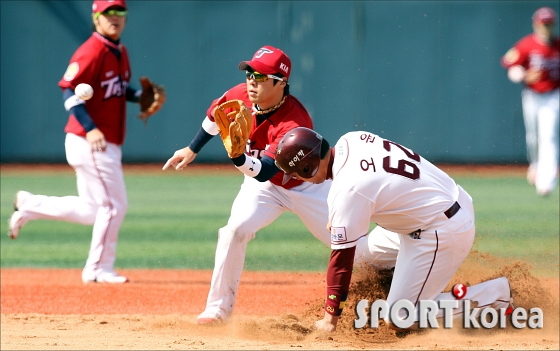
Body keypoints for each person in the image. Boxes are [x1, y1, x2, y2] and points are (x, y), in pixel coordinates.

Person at [163, 46, 401, 325]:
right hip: (262, 189)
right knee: (233, 231)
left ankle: (397, 271)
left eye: (261, 76)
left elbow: (265, 170)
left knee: (355, 249)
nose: (252, 80)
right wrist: (192, 149)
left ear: (281, 83)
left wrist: (239, 158)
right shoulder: (240, 94)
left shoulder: (295, 122)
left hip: (308, 187)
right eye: (250, 73)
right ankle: (217, 310)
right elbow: (216, 115)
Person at [274, 127, 514, 332]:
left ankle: (495, 296)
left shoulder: (348, 190)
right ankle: (409, 283)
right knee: (363, 257)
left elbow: (340, 262)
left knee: (399, 317)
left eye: (296, 174)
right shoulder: (351, 138)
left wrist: (330, 319)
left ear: (308, 168)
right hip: (443, 204)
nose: (297, 179)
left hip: (441, 229)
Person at [8, 0, 165, 283]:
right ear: (96, 18)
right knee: (115, 206)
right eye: (108, 13)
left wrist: (138, 97)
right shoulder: (91, 50)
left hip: (103, 142)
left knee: (93, 210)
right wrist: (90, 128)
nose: (115, 18)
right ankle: (98, 268)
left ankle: (30, 205)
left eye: (120, 13)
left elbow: (115, 89)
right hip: (91, 141)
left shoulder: (119, 50)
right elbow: (69, 91)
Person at [501, 7, 560, 196]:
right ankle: (535, 166)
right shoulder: (526, 44)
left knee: (548, 136)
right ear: (536, 24)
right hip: (532, 95)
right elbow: (511, 67)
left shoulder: (558, 46)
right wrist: (525, 75)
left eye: (549, 23)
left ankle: (547, 182)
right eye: (544, 23)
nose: (547, 27)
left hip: (553, 96)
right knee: (533, 138)